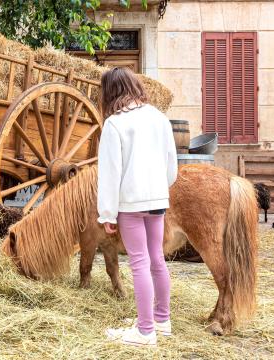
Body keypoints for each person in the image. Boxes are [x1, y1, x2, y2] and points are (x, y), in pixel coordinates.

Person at [97, 67, 178, 346]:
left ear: (109, 92)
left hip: (130, 203)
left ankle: (145, 331)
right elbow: (171, 166)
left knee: (139, 262)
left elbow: (109, 173)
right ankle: (161, 320)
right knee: (156, 258)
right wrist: (159, 190)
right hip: (157, 199)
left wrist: (106, 213)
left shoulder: (114, 124)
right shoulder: (159, 118)